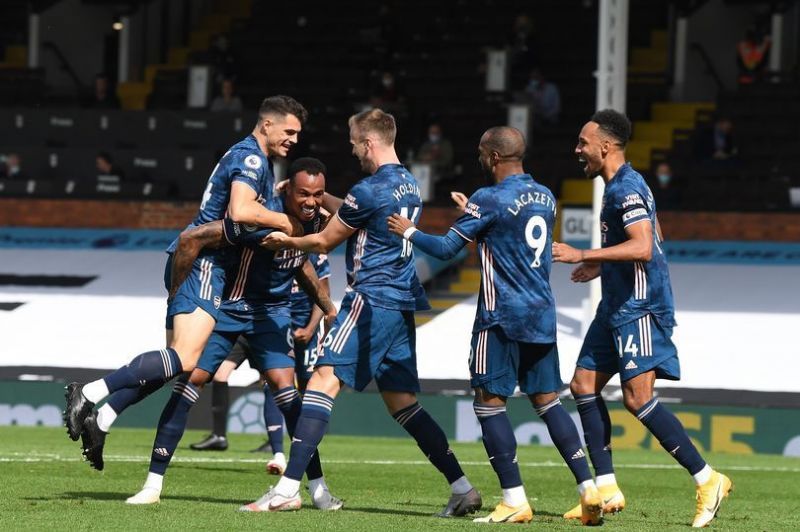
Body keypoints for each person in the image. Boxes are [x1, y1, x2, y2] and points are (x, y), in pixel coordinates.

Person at [241, 109, 482, 517]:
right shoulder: (407, 182)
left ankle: (285, 490)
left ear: (369, 143)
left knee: (321, 382)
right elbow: (359, 211)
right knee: (403, 403)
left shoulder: (369, 189)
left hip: (370, 301)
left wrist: (284, 240)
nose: (352, 150)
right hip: (403, 303)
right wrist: (322, 201)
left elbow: (321, 243)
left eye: (354, 142)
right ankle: (462, 487)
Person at [64, 96, 308, 463]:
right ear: (267, 124)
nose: (293, 139)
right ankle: (90, 391)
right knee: (185, 358)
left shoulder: (254, 161)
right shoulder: (252, 158)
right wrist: (284, 221)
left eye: (297, 134)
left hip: (196, 260)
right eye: (289, 131)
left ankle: (103, 418)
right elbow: (241, 210)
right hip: (206, 260)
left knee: (174, 364)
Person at [386, 126, 602, 525]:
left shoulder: (489, 199)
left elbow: (448, 247)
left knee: (489, 403)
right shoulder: (544, 195)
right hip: (542, 314)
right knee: (547, 400)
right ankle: (589, 489)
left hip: (501, 316)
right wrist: (474, 210)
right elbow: (508, 233)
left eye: (482, 154)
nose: (480, 160)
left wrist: (410, 231)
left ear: (493, 157)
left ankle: (514, 499)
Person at [123, 161, 341, 507]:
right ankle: (152, 484)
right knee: (190, 382)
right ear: (287, 190)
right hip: (228, 312)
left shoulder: (314, 219)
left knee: (289, 396)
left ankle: (317, 489)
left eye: (317, 195)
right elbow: (200, 237)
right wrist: (180, 286)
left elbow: (301, 263)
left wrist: (327, 307)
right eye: (303, 194)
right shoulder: (262, 215)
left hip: (270, 316)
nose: (311, 201)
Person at [552, 109, 732, 528]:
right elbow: (654, 235)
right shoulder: (619, 187)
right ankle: (608, 487)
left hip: (639, 307)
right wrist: (602, 266)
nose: (578, 149)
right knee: (582, 385)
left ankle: (708, 479)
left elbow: (645, 246)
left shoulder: (625, 189)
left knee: (637, 398)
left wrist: (584, 254)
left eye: (583, 142)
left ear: (606, 146)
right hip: (615, 304)